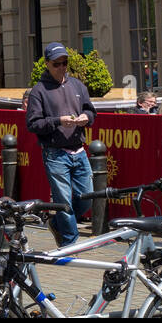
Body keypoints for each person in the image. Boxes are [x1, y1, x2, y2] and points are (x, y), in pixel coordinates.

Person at [26, 42, 96, 249]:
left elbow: (91, 111)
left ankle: (57, 223)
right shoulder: (39, 91)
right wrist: (58, 121)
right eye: (57, 64)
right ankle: (70, 244)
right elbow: (33, 124)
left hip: (79, 150)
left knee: (87, 198)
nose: (62, 67)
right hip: (55, 154)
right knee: (64, 201)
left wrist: (86, 117)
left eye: (65, 63)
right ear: (47, 64)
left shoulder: (77, 86)